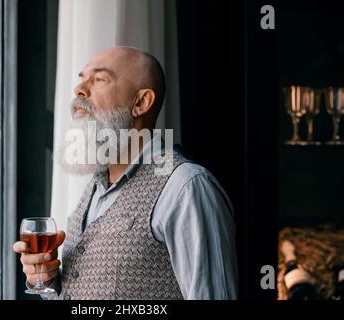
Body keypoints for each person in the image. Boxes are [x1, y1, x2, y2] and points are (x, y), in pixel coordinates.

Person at [13, 46, 238, 300]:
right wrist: (50, 282)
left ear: (141, 102)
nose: (79, 90)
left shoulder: (186, 187)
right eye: (81, 78)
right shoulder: (94, 188)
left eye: (99, 79)